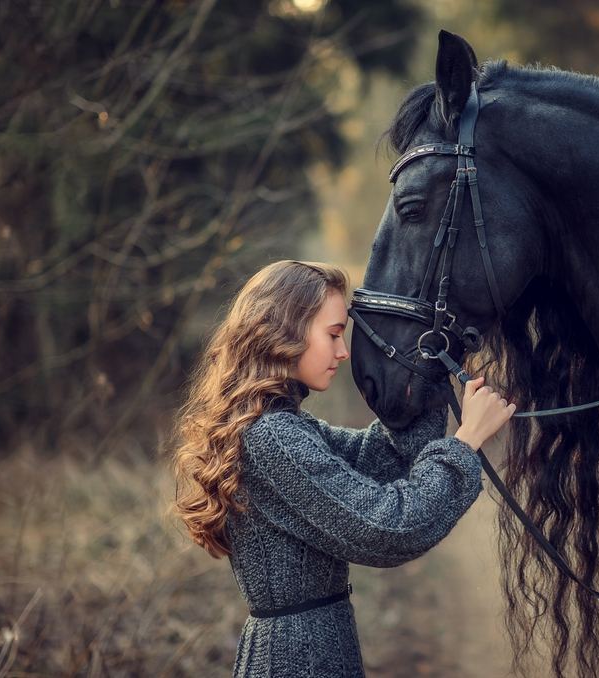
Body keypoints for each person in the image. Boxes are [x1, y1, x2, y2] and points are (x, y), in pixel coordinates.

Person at [171, 260, 514, 677]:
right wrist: (466, 443)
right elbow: (389, 528)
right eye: (333, 334)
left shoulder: (284, 428)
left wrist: (425, 382)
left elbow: (378, 461)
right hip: (298, 663)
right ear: (285, 331)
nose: (343, 351)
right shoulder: (273, 438)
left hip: (309, 653)